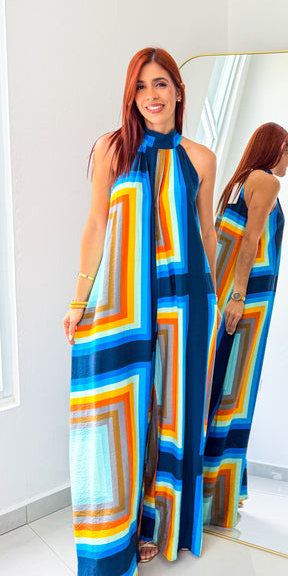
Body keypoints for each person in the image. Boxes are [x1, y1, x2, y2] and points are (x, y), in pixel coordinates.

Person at [63, 47, 218, 574]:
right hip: (123, 302)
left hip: (187, 300)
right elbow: (96, 227)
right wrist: (79, 300)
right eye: (141, 86)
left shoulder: (201, 159)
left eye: (160, 84)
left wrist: (214, 298)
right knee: (120, 410)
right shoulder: (113, 149)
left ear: (178, 89)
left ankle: (157, 523)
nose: (151, 96)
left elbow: (205, 234)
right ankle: (118, 530)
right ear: (131, 95)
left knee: (173, 414)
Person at [202, 122, 288, 529]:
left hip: (225, 297)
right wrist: (239, 296)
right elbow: (250, 241)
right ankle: (215, 495)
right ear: (274, 149)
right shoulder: (267, 181)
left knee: (220, 386)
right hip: (246, 302)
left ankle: (216, 488)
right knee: (233, 393)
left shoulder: (240, 182)